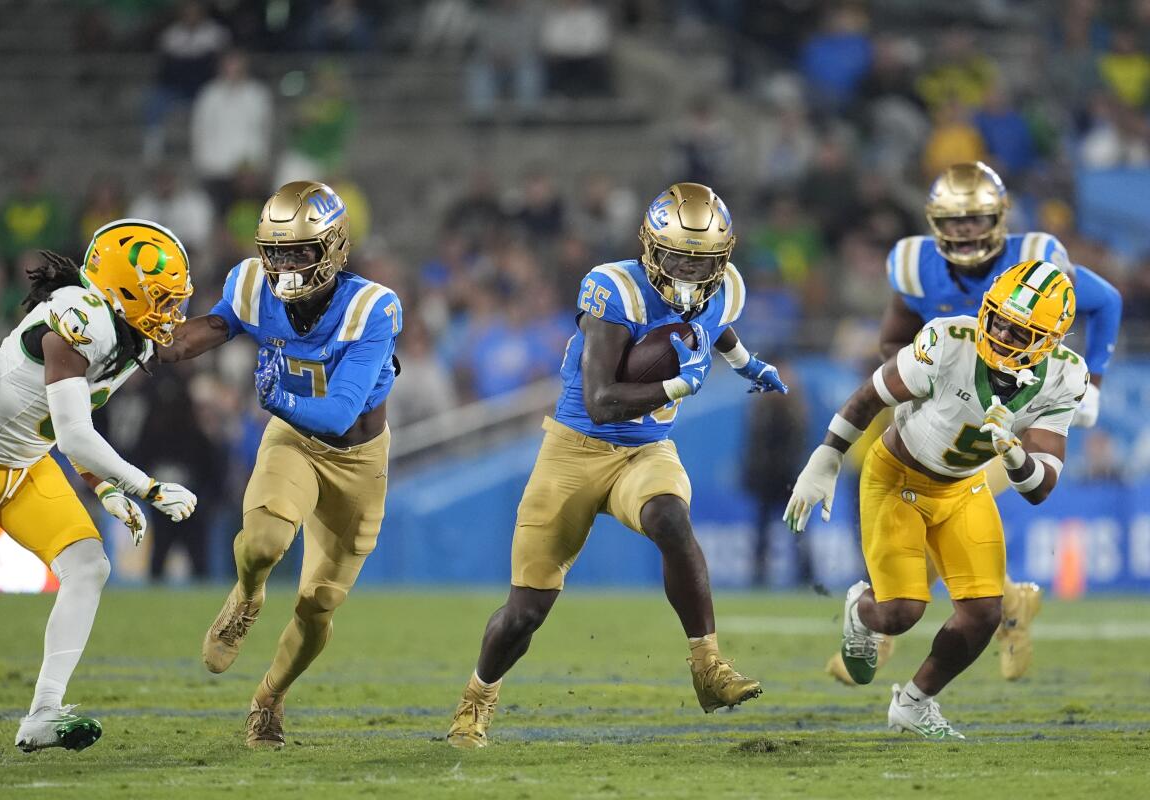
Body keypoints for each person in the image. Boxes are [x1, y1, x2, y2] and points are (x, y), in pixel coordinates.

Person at [445, 182, 788, 749]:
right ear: (651, 248)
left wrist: (748, 364)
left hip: (646, 451)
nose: (688, 269)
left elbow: (715, 324)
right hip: (574, 451)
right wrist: (679, 382)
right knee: (526, 612)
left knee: (671, 520)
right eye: (678, 255)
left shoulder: (722, 287)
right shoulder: (616, 289)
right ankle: (476, 700)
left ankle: (708, 665)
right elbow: (602, 402)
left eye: (702, 260)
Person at [821, 161, 1122, 685]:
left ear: (1000, 218)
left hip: (1014, 409)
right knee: (936, 505)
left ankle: (889, 624)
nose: (965, 231)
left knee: (948, 501)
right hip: (952, 406)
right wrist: (923, 378)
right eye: (954, 221)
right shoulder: (915, 263)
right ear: (935, 221)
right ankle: (1007, 608)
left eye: (976, 219)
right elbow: (894, 339)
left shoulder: (1038, 260)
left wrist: (1092, 380)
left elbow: (1106, 301)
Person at [786, 260, 1087, 739]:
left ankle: (914, 703)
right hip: (896, 477)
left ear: (1050, 341)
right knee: (901, 613)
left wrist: (1014, 459)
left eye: (1020, 328)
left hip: (962, 487)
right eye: (999, 316)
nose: (1003, 331)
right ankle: (860, 613)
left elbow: (1041, 488)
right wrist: (825, 459)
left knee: (985, 612)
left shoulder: (1065, 377)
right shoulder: (950, 341)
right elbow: (870, 396)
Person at [158, 181, 401, 749]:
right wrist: (148, 342)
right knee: (264, 542)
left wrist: (278, 398)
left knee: (319, 606)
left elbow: (341, 413)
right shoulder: (249, 283)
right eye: (277, 251)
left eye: (299, 251)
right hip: (292, 441)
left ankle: (268, 697)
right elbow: (210, 329)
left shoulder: (372, 306)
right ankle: (246, 595)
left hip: (358, 460)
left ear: (334, 247)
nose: (285, 265)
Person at [0, 220, 197, 752]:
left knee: (88, 566)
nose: (169, 310)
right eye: (161, 296)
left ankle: (43, 711)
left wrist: (104, 489)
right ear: (122, 287)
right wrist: (145, 489)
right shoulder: (79, 319)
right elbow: (77, 436)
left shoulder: (125, 336)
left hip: (23, 466)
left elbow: (58, 431)